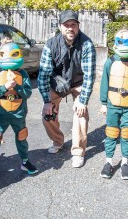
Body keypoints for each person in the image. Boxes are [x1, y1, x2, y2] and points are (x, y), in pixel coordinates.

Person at [37, 10, 96, 168]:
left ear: (78, 26)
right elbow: (43, 75)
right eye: (66, 25)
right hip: (57, 82)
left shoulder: (87, 44)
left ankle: (78, 152)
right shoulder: (50, 45)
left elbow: (90, 76)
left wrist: (82, 101)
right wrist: (47, 101)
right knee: (47, 115)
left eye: (73, 25)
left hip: (78, 82)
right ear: (60, 27)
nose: (70, 28)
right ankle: (58, 141)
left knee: (81, 114)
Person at [99, 29, 128, 180]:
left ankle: (124, 163)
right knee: (111, 133)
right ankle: (108, 162)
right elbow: (104, 83)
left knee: (126, 133)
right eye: (122, 40)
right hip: (113, 103)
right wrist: (104, 103)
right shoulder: (110, 62)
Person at [0, 42, 38, 174]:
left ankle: (25, 161)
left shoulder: (23, 74)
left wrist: (16, 86)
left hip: (18, 114)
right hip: (0, 113)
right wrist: (4, 88)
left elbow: (27, 93)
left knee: (21, 136)